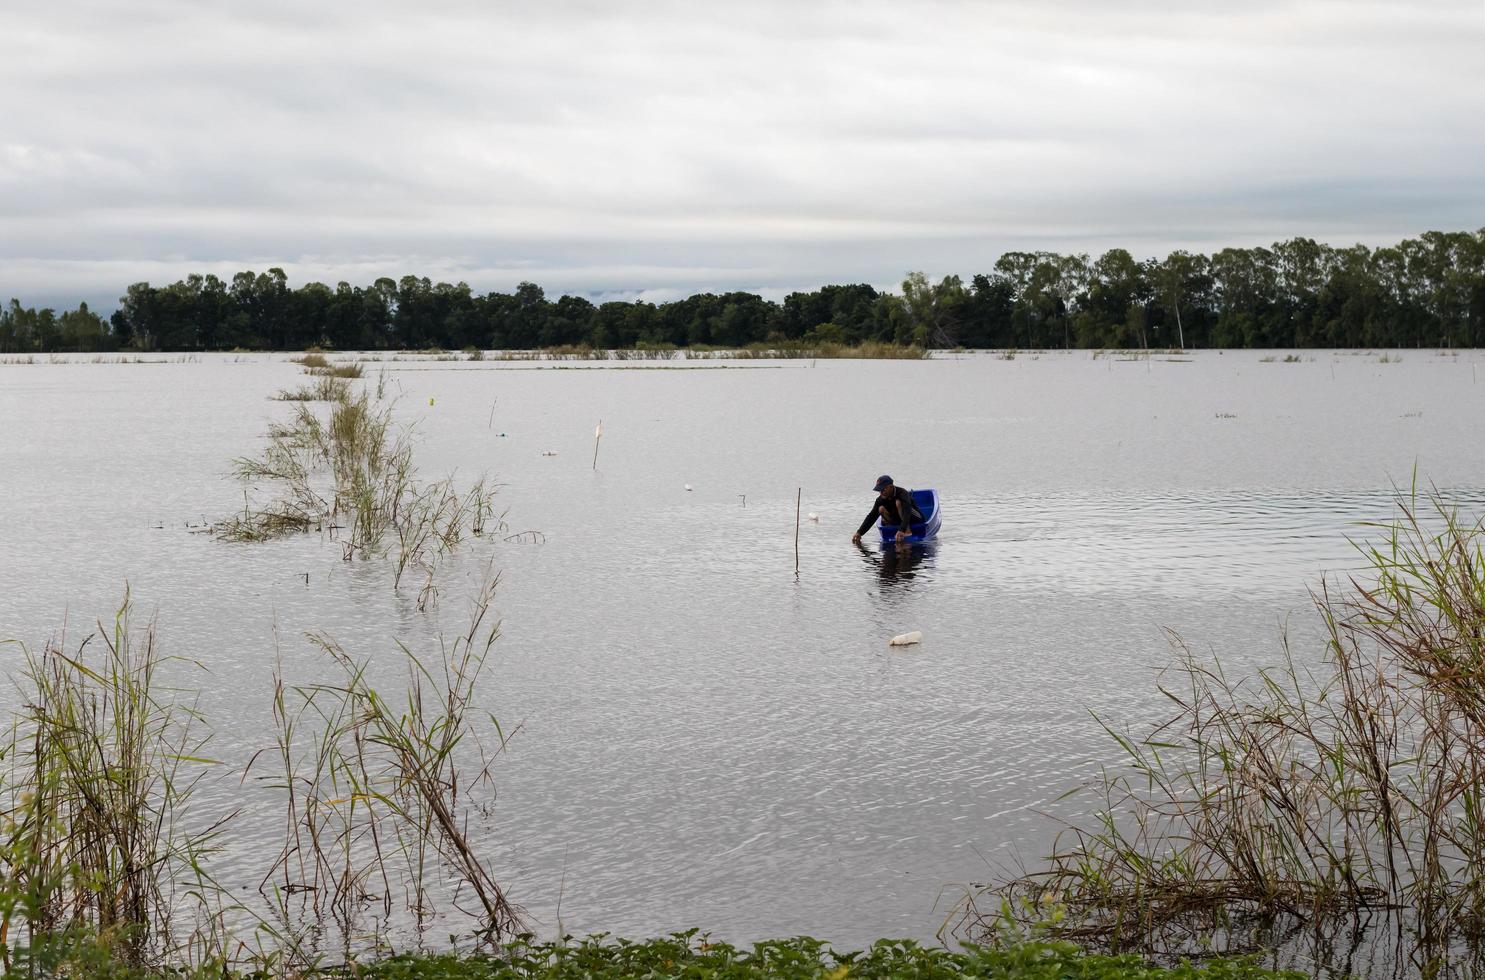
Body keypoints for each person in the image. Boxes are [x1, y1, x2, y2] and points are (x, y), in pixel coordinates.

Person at [852, 475, 923, 544]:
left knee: (898, 503)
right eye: (879, 490)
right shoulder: (880, 499)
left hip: (913, 518)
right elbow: (871, 516)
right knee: (880, 509)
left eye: (883, 489)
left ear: (891, 487)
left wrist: (902, 529)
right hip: (898, 520)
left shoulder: (902, 493)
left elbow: (907, 512)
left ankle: (907, 531)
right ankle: (893, 529)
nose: (881, 492)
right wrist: (859, 532)